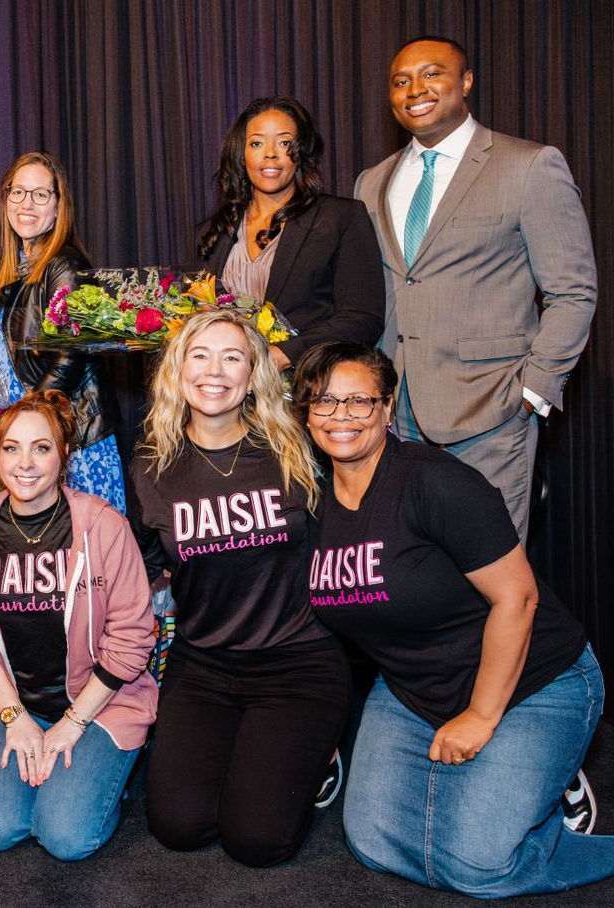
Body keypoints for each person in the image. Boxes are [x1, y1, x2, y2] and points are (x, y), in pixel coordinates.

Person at [291, 341, 614, 896]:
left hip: (535, 682)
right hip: (415, 690)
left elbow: (518, 599)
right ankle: (504, 804)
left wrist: (481, 718)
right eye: (323, 402)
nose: (339, 416)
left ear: (388, 407)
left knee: (476, 865)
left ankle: (551, 815)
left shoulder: (436, 482)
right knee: (371, 841)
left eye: (358, 401)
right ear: (305, 413)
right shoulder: (312, 501)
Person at [354, 35, 597, 543]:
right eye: (400, 81)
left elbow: (573, 292)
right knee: (419, 576)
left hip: (491, 412)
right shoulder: (372, 181)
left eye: (431, 74)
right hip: (396, 417)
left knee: (494, 580)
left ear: (465, 82)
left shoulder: (529, 165)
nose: (414, 89)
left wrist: (532, 392)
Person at [129, 309, 350, 867]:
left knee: (256, 841)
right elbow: (149, 569)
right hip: (204, 665)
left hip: (297, 662)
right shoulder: (152, 466)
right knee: (179, 826)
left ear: (253, 376)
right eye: (200, 356)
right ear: (177, 371)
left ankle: (322, 752)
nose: (215, 371)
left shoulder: (298, 448)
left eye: (233, 357)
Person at [0, 390, 157, 861]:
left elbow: (132, 639)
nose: (25, 463)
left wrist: (72, 723)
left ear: (64, 455)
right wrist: (15, 716)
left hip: (99, 704)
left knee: (66, 837)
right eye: (11, 448)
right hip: (12, 702)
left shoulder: (102, 526)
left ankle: (97, 774)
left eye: (41, 447)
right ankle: (59, 774)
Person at [197, 97, 384, 370]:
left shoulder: (340, 218)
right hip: (224, 392)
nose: (270, 153)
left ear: (302, 152)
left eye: (284, 143)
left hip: (302, 391)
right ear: (241, 154)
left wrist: (282, 356)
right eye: (257, 143)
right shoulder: (213, 232)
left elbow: (363, 318)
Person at [0, 151, 125, 512]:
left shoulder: (63, 263)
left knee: (90, 552)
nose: (26, 204)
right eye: (18, 192)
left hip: (72, 436)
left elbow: (73, 353)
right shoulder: (18, 268)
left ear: (57, 206)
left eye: (40, 194)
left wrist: (31, 417)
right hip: (38, 436)